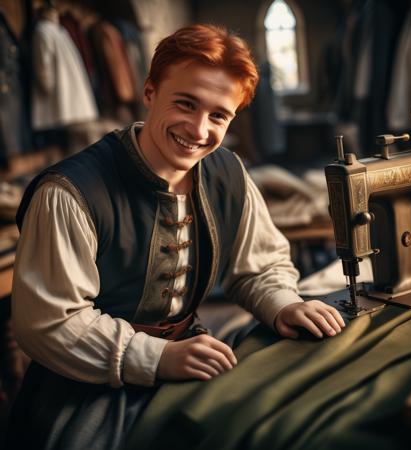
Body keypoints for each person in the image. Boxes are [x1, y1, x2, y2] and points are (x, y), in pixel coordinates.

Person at [8, 24, 345, 449]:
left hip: (190, 352)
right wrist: (156, 357)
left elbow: (258, 266)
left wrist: (283, 304)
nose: (199, 129)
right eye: (186, 104)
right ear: (150, 92)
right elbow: (50, 323)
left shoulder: (228, 172)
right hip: (85, 383)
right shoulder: (69, 193)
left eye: (219, 115)